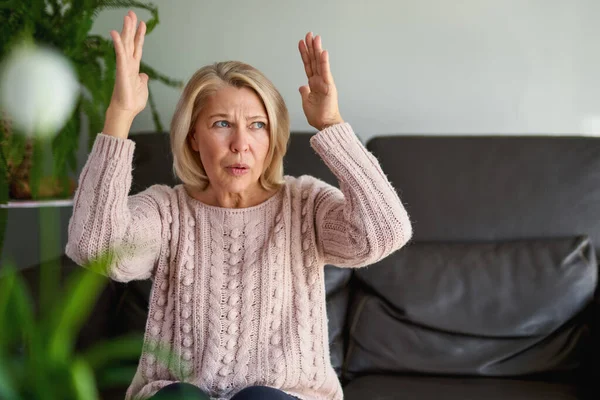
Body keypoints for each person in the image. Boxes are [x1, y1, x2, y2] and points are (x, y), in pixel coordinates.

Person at [66, 10, 412, 400]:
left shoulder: (305, 204)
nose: (240, 144)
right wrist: (120, 116)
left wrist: (331, 123)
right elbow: (93, 248)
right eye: (221, 124)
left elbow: (385, 233)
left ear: (273, 137)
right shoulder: (167, 210)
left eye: (257, 125)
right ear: (194, 137)